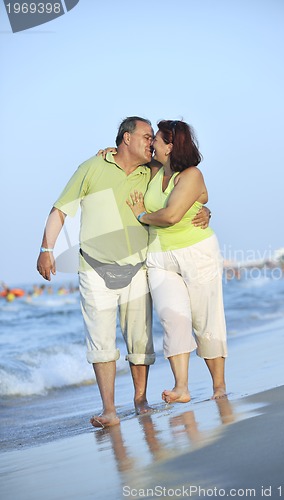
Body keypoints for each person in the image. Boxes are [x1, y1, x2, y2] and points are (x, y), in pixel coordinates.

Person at [37, 116, 210, 427]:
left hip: (138, 266)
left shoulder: (151, 172)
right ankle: (109, 410)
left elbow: (187, 191)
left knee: (140, 341)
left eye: (152, 138)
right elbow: (61, 209)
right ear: (126, 138)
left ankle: (141, 401)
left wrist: (204, 209)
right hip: (94, 267)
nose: (151, 142)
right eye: (146, 136)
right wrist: (46, 249)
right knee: (101, 341)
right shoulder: (92, 166)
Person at [126, 120, 227, 404]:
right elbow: (126, 157)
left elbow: (171, 216)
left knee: (206, 320)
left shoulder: (192, 174)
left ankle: (218, 386)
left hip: (197, 251)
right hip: (159, 256)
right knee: (173, 319)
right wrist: (109, 150)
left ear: (170, 146)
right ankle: (181, 387)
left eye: (155, 140)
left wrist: (140, 215)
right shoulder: (155, 170)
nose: (151, 144)